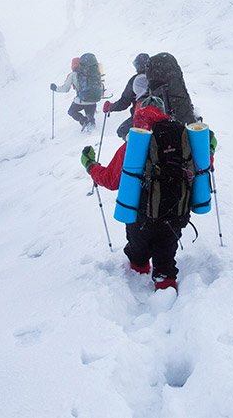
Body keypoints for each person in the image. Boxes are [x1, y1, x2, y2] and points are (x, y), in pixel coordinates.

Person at [80, 97, 216, 291]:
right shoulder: (183, 136)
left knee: (137, 254)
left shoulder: (136, 142)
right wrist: (209, 148)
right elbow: (202, 167)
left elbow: (110, 180)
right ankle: (167, 289)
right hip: (176, 213)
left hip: (141, 218)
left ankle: (138, 276)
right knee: (166, 257)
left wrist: (90, 165)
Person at [103, 53, 151, 140]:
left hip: (140, 115)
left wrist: (111, 107)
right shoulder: (157, 77)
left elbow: (124, 102)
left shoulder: (136, 80)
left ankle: (134, 149)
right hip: (161, 113)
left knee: (122, 130)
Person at [51, 56, 97, 132]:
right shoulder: (90, 72)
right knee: (90, 117)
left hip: (81, 100)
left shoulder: (73, 75)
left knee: (71, 111)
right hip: (93, 100)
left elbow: (65, 89)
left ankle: (83, 120)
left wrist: (55, 88)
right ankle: (92, 132)